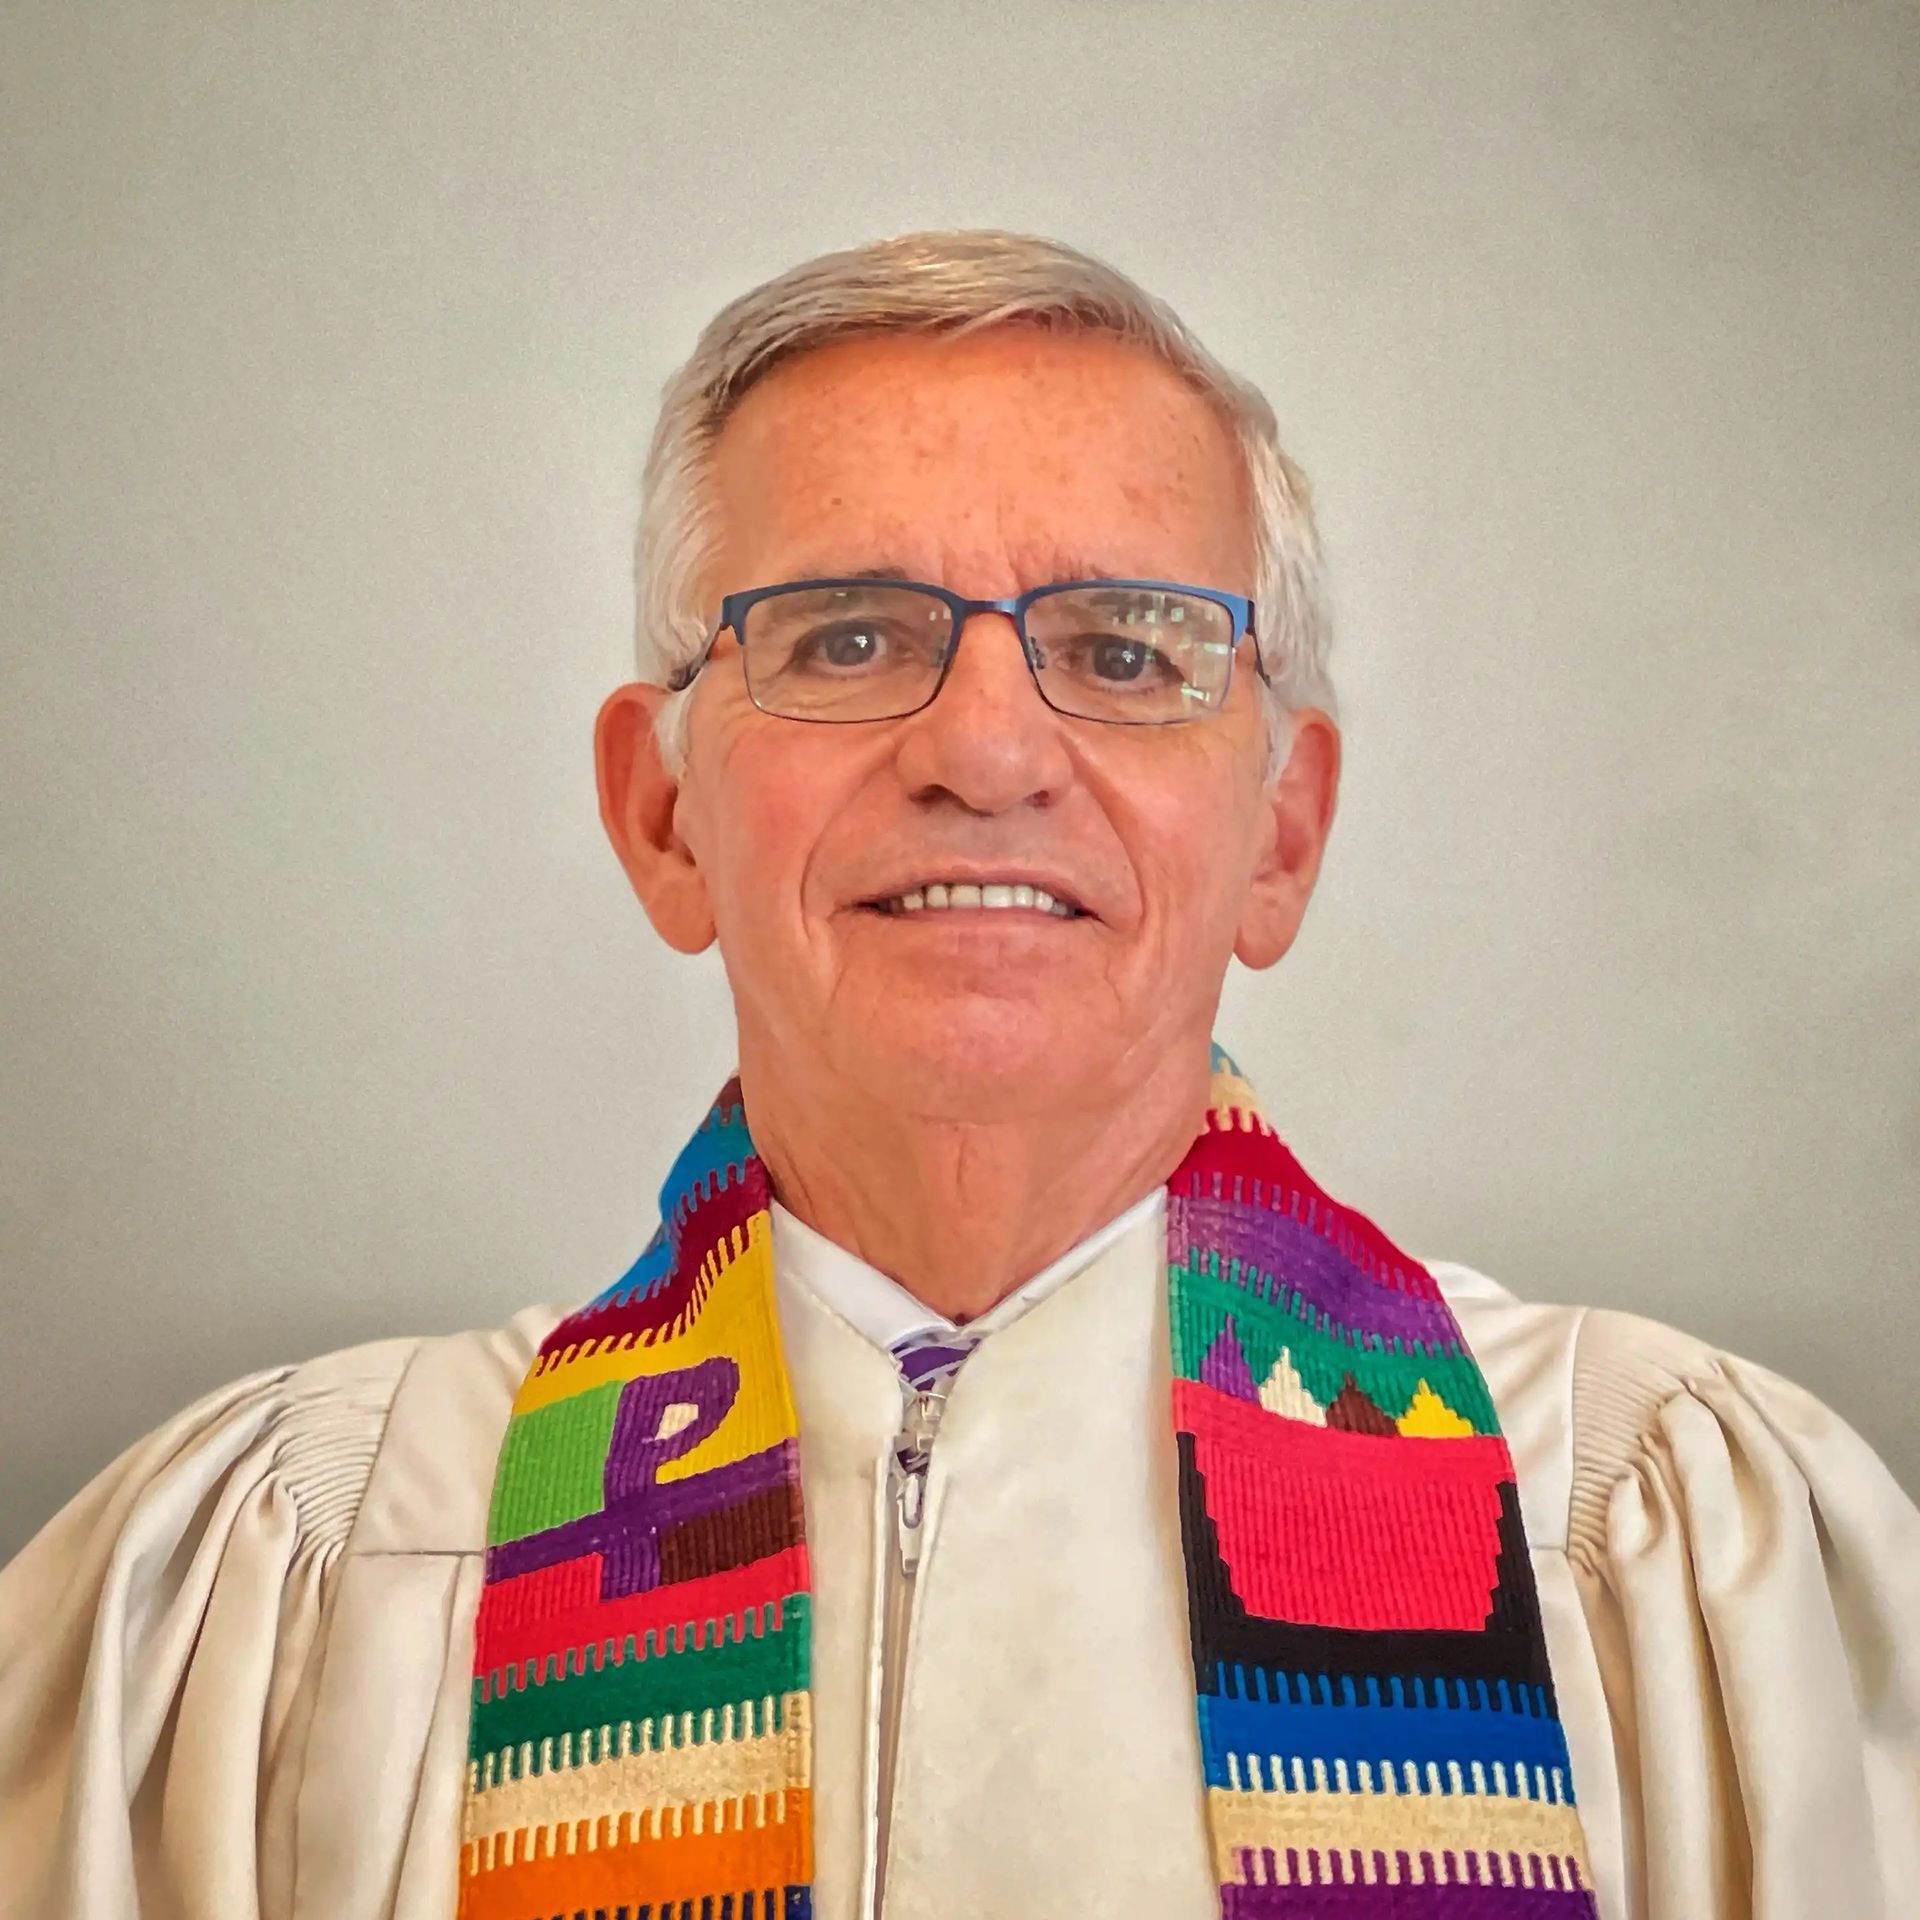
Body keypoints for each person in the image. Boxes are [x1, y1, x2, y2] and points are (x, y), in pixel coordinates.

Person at [1, 229, 1914, 1920]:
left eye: (1127, 647)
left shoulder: (1659, 1544)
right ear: (663, 817)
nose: (986, 749)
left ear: (1281, 836)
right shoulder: (295, 1576)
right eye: (844, 637)